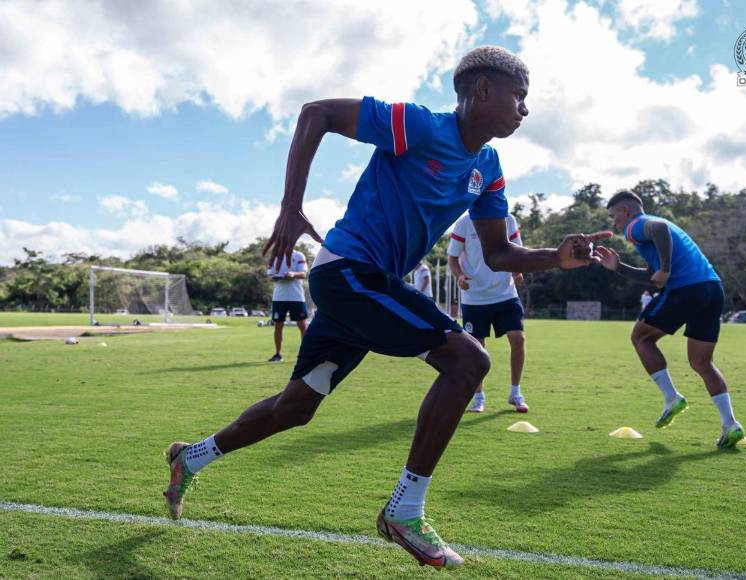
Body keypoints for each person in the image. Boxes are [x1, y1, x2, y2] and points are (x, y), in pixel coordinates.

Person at [163, 45, 609, 569]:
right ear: (483, 89)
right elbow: (317, 113)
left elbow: (499, 252)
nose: (524, 110)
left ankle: (190, 457)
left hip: (365, 289)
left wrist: (557, 257)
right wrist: (290, 208)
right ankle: (405, 511)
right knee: (469, 360)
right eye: (519, 96)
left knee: (296, 408)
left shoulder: (487, 167)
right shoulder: (419, 127)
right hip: (348, 273)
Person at [595, 190, 744, 449]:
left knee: (641, 337)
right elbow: (652, 276)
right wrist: (618, 267)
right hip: (712, 289)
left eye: (614, 215)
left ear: (627, 211)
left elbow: (659, 229)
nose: (614, 222)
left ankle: (671, 397)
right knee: (701, 361)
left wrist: (666, 268)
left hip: (686, 289)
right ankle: (730, 424)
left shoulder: (636, 225)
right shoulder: (648, 232)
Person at [448, 211, 528, 413]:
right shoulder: (464, 223)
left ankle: (515, 393)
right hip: (474, 298)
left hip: (505, 294)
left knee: (518, 339)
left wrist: (518, 271)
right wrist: (460, 277)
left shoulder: (508, 220)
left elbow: (518, 252)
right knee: (477, 349)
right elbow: (452, 258)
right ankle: (478, 397)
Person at [266, 248, 309, 362]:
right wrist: (276, 277)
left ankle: (305, 355)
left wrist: (293, 274)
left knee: (303, 326)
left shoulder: (299, 255)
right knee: (278, 326)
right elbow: (270, 275)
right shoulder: (274, 256)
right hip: (279, 297)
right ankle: (277, 355)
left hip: (297, 297)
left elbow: (304, 274)